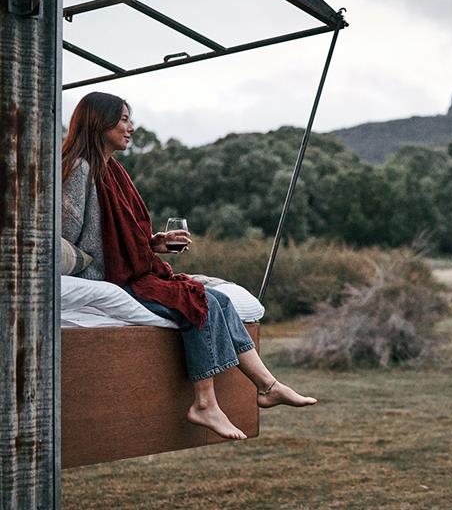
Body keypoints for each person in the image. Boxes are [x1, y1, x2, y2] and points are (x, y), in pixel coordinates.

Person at [61, 91, 316, 441]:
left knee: (219, 299)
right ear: (98, 121)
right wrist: (96, 269)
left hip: (128, 269)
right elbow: (66, 238)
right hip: (113, 277)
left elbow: (117, 237)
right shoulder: (79, 169)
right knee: (198, 299)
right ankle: (205, 403)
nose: (131, 127)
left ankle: (267, 386)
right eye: (123, 119)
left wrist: (154, 243)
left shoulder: (114, 170)